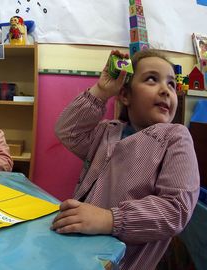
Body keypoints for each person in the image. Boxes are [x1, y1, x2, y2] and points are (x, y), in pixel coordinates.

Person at [51, 49, 200, 270]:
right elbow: (68, 130)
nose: (165, 91)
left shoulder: (176, 137)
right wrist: (101, 91)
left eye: (171, 84)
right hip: (79, 250)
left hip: (126, 260)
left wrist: (109, 219)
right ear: (125, 95)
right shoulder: (107, 132)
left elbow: (176, 208)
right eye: (152, 79)